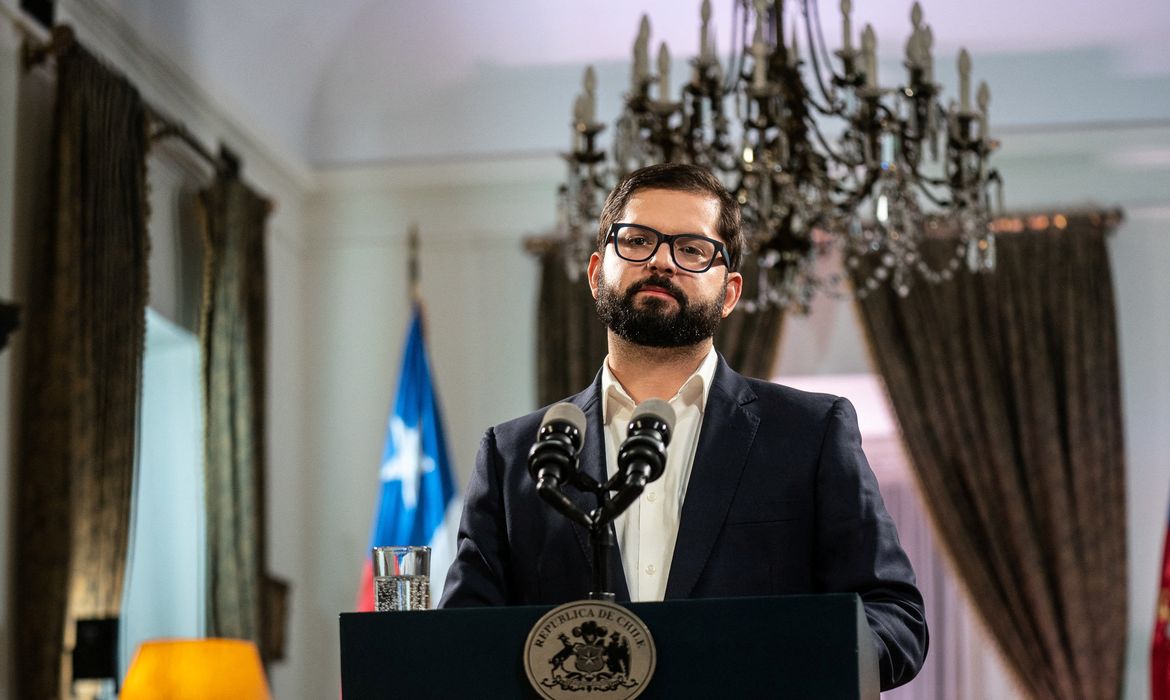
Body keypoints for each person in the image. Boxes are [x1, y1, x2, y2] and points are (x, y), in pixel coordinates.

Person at [440, 163, 928, 690]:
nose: (661, 262)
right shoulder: (513, 453)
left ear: (731, 292)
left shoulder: (811, 433)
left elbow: (895, 618)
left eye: (692, 249)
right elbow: (464, 638)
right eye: (638, 240)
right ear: (595, 271)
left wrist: (791, 663)